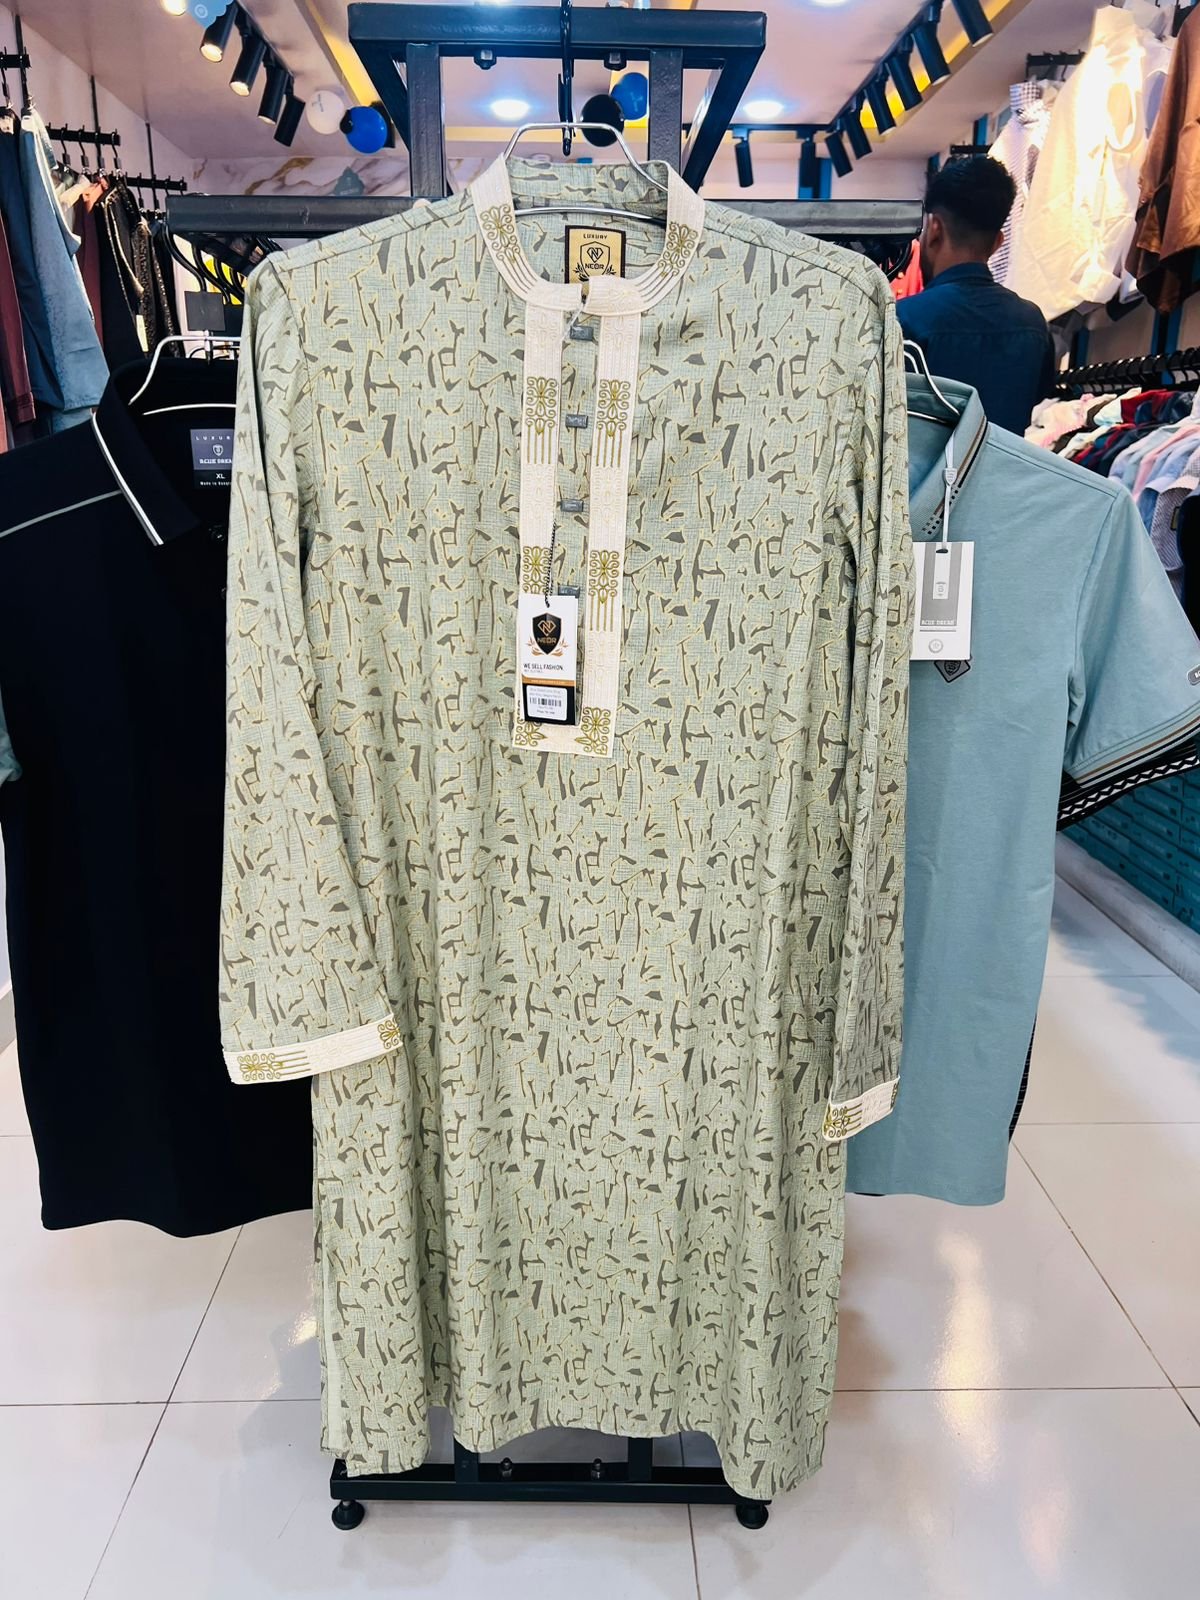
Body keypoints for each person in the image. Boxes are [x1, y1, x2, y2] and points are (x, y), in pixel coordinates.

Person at [898, 156, 1056, 436]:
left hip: (919, 466)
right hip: (1004, 465)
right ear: (998, 242)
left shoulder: (904, 319)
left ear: (934, 229)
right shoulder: (1033, 324)